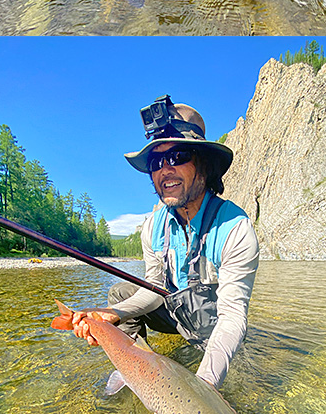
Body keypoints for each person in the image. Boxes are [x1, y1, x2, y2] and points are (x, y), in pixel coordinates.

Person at [68, 96, 258, 388]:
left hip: (213, 325)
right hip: (174, 314)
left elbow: (232, 318)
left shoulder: (235, 227)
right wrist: (113, 315)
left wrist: (203, 387)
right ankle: (135, 371)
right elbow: (153, 290)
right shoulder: (153, 227)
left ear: (204, 166)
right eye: (157, 162)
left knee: (234, 382)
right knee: (120, 293)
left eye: (178, 157)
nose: (165, 169)